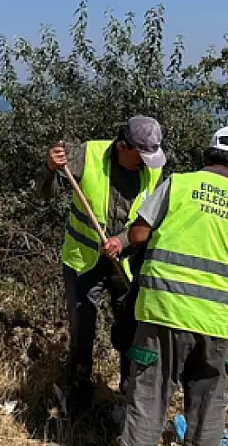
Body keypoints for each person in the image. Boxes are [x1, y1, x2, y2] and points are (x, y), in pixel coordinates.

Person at [84, 126, 228, 446]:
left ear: (206, 157)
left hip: (163, 311)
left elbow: (136, 237)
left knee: (150, 394)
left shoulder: (177, 186)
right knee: (208, 402)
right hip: (218, 323)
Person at [38, 116, 167, 411]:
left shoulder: (154, 169)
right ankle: (80, 397)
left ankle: (127, 395)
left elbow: (151, 218)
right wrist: (49, 169)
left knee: (130, 331)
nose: (148, 164)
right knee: (82, 333)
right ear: (123, 146)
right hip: (83, 263)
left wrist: (122, 240)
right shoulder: (88, 154)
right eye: (141, 156)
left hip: (126, 267)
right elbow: (44, 194)